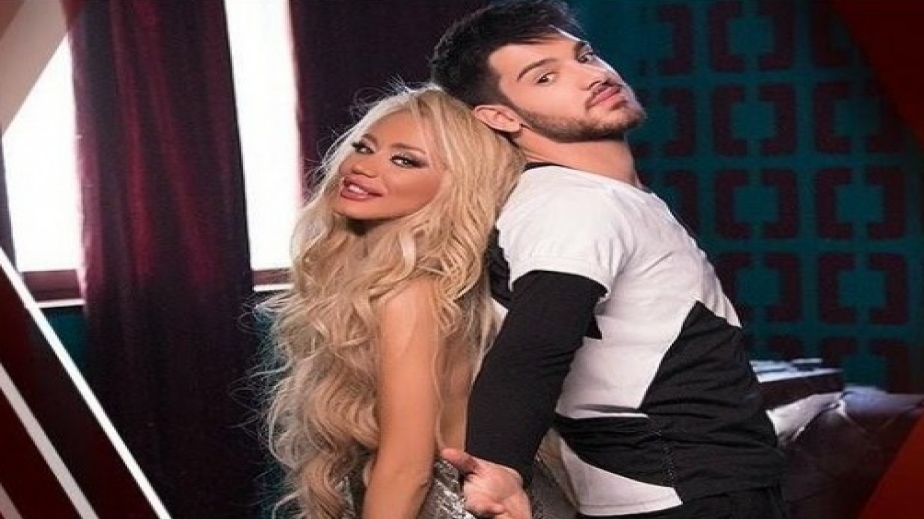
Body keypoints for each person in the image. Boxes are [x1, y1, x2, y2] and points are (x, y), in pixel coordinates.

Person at [430, 1, 788, 518]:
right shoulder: (577, 203)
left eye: (584, 56)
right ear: (501, 116)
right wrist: (502, 468)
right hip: (684, 490)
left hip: (702, 481)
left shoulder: (596, 196)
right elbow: (534, 345)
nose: (591, 75)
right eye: (546, 76)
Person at [264, 84, 524, 519]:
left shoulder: (412, 293)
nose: (362, 166)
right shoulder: (399, 283)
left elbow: (408, 470)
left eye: (404, 160)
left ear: (457, 187)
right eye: (364, 147)